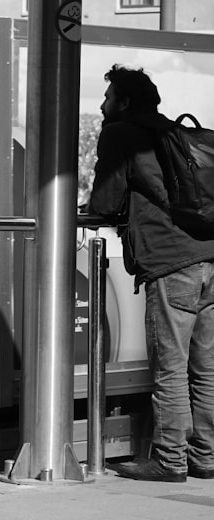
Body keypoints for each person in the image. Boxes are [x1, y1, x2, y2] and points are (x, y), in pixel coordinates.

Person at [88, 65, 214, 482]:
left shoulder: (121, 134)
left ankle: (170, 460)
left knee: (170, 366)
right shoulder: (172, 132)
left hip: (171, 261)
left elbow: (105, 200)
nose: (103, 104)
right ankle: (206, 457)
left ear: (124, 102)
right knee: (207, 365)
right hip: (210, 256)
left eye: (108, 97)